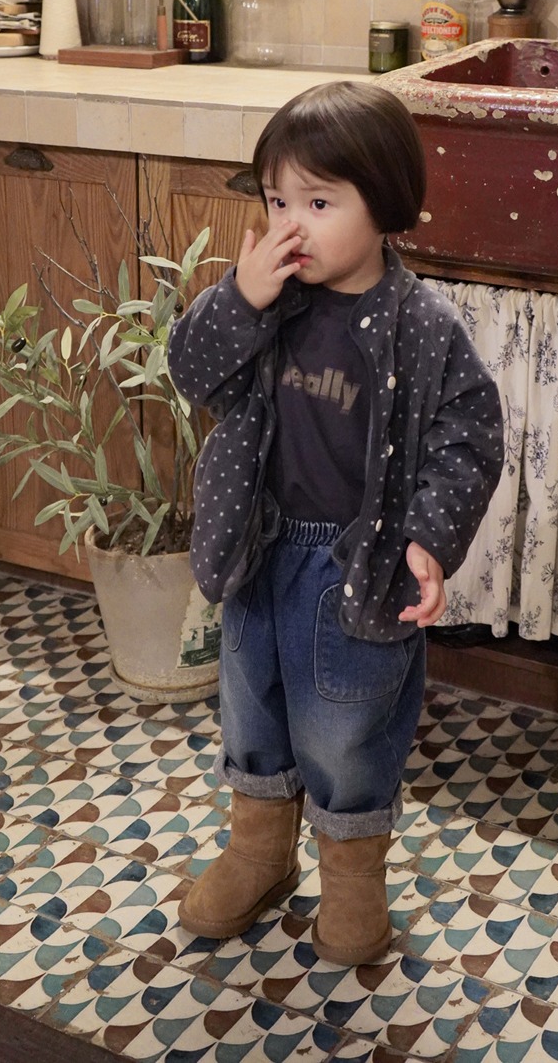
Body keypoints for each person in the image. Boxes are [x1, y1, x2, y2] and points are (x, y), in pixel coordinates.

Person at [167, 79, 503, 965]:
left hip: (361, 566)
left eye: (318, 203)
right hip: (258, 547)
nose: (292, 226)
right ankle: (258, 851)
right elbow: (193, 373)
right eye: (277, 201)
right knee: (252, 707)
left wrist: (431, 537)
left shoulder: (422, 325)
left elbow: (468, 437)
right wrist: (237, 297)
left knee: (347, 729)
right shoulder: (266, 300)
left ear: (385, 207)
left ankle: (353, 880)